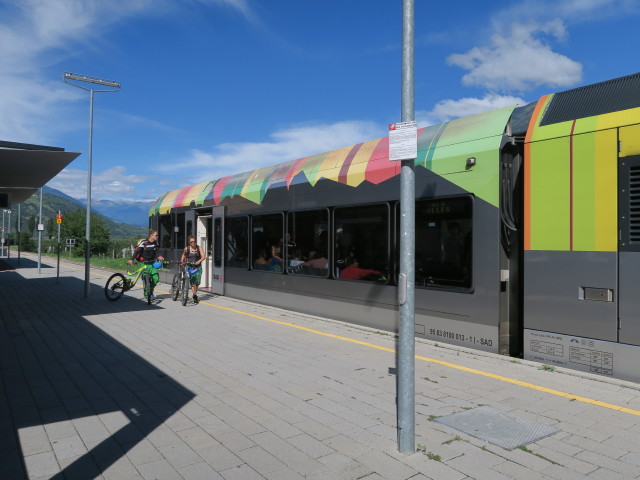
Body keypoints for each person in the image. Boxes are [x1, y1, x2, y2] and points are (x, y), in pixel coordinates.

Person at [128, 230, 165, 300]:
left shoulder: (155, 243)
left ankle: (150, 291)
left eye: (157, 235)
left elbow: (157, 252)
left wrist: (160, 256)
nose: (157, 236)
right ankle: (146, 294)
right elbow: (137, 251)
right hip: (144, 264)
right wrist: (131, 259)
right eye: (156, 235)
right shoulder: (144, 242)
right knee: (146, 279)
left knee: (156, 279)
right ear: (151, 235)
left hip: (152, 264)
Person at [180, 235, 206, 304]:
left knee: (197, 281)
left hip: (198, 267)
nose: (193, 243)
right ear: (189, 242)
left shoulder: (199, 248)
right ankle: (194, 295)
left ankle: (195, 293)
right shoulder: (187, 249)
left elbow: (203, 256)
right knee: (193, 281)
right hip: (190, 266)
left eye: (194, 241)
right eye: (191, 242)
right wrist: (182, 262)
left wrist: (199, 261)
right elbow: (183, 255)